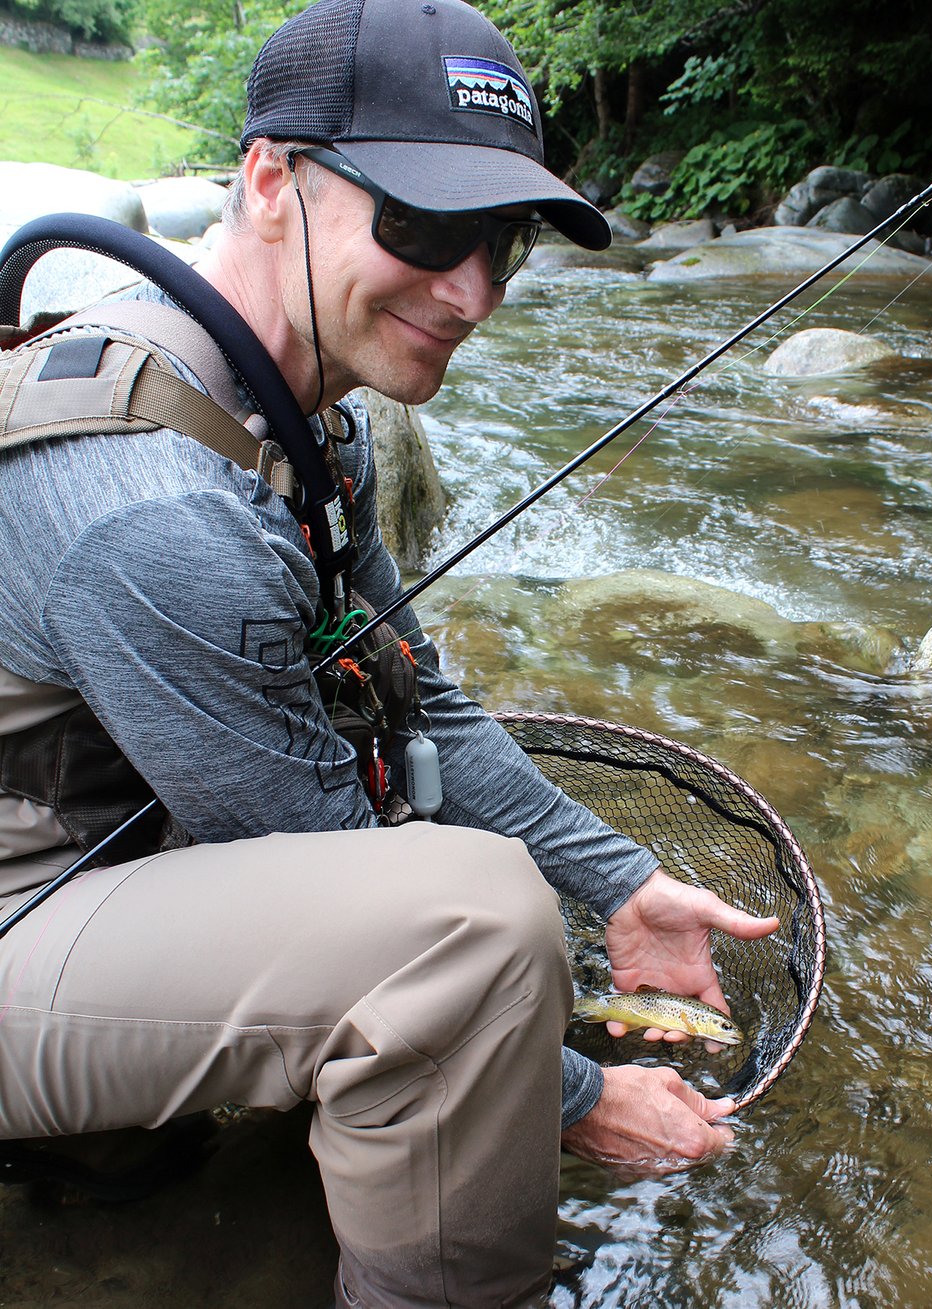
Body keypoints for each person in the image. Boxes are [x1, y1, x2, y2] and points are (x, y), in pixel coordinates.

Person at [0, 1, 778, 1305]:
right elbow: (362, 891)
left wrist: (625, 884)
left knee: (449, 858)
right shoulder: (156, 502)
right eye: (419, 227)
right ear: (268, 182)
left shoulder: (303, 416)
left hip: (99, 867)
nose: (469, 291)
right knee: (470, 930)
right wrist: (578, 1097)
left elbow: (417, 702)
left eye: (502, 245)